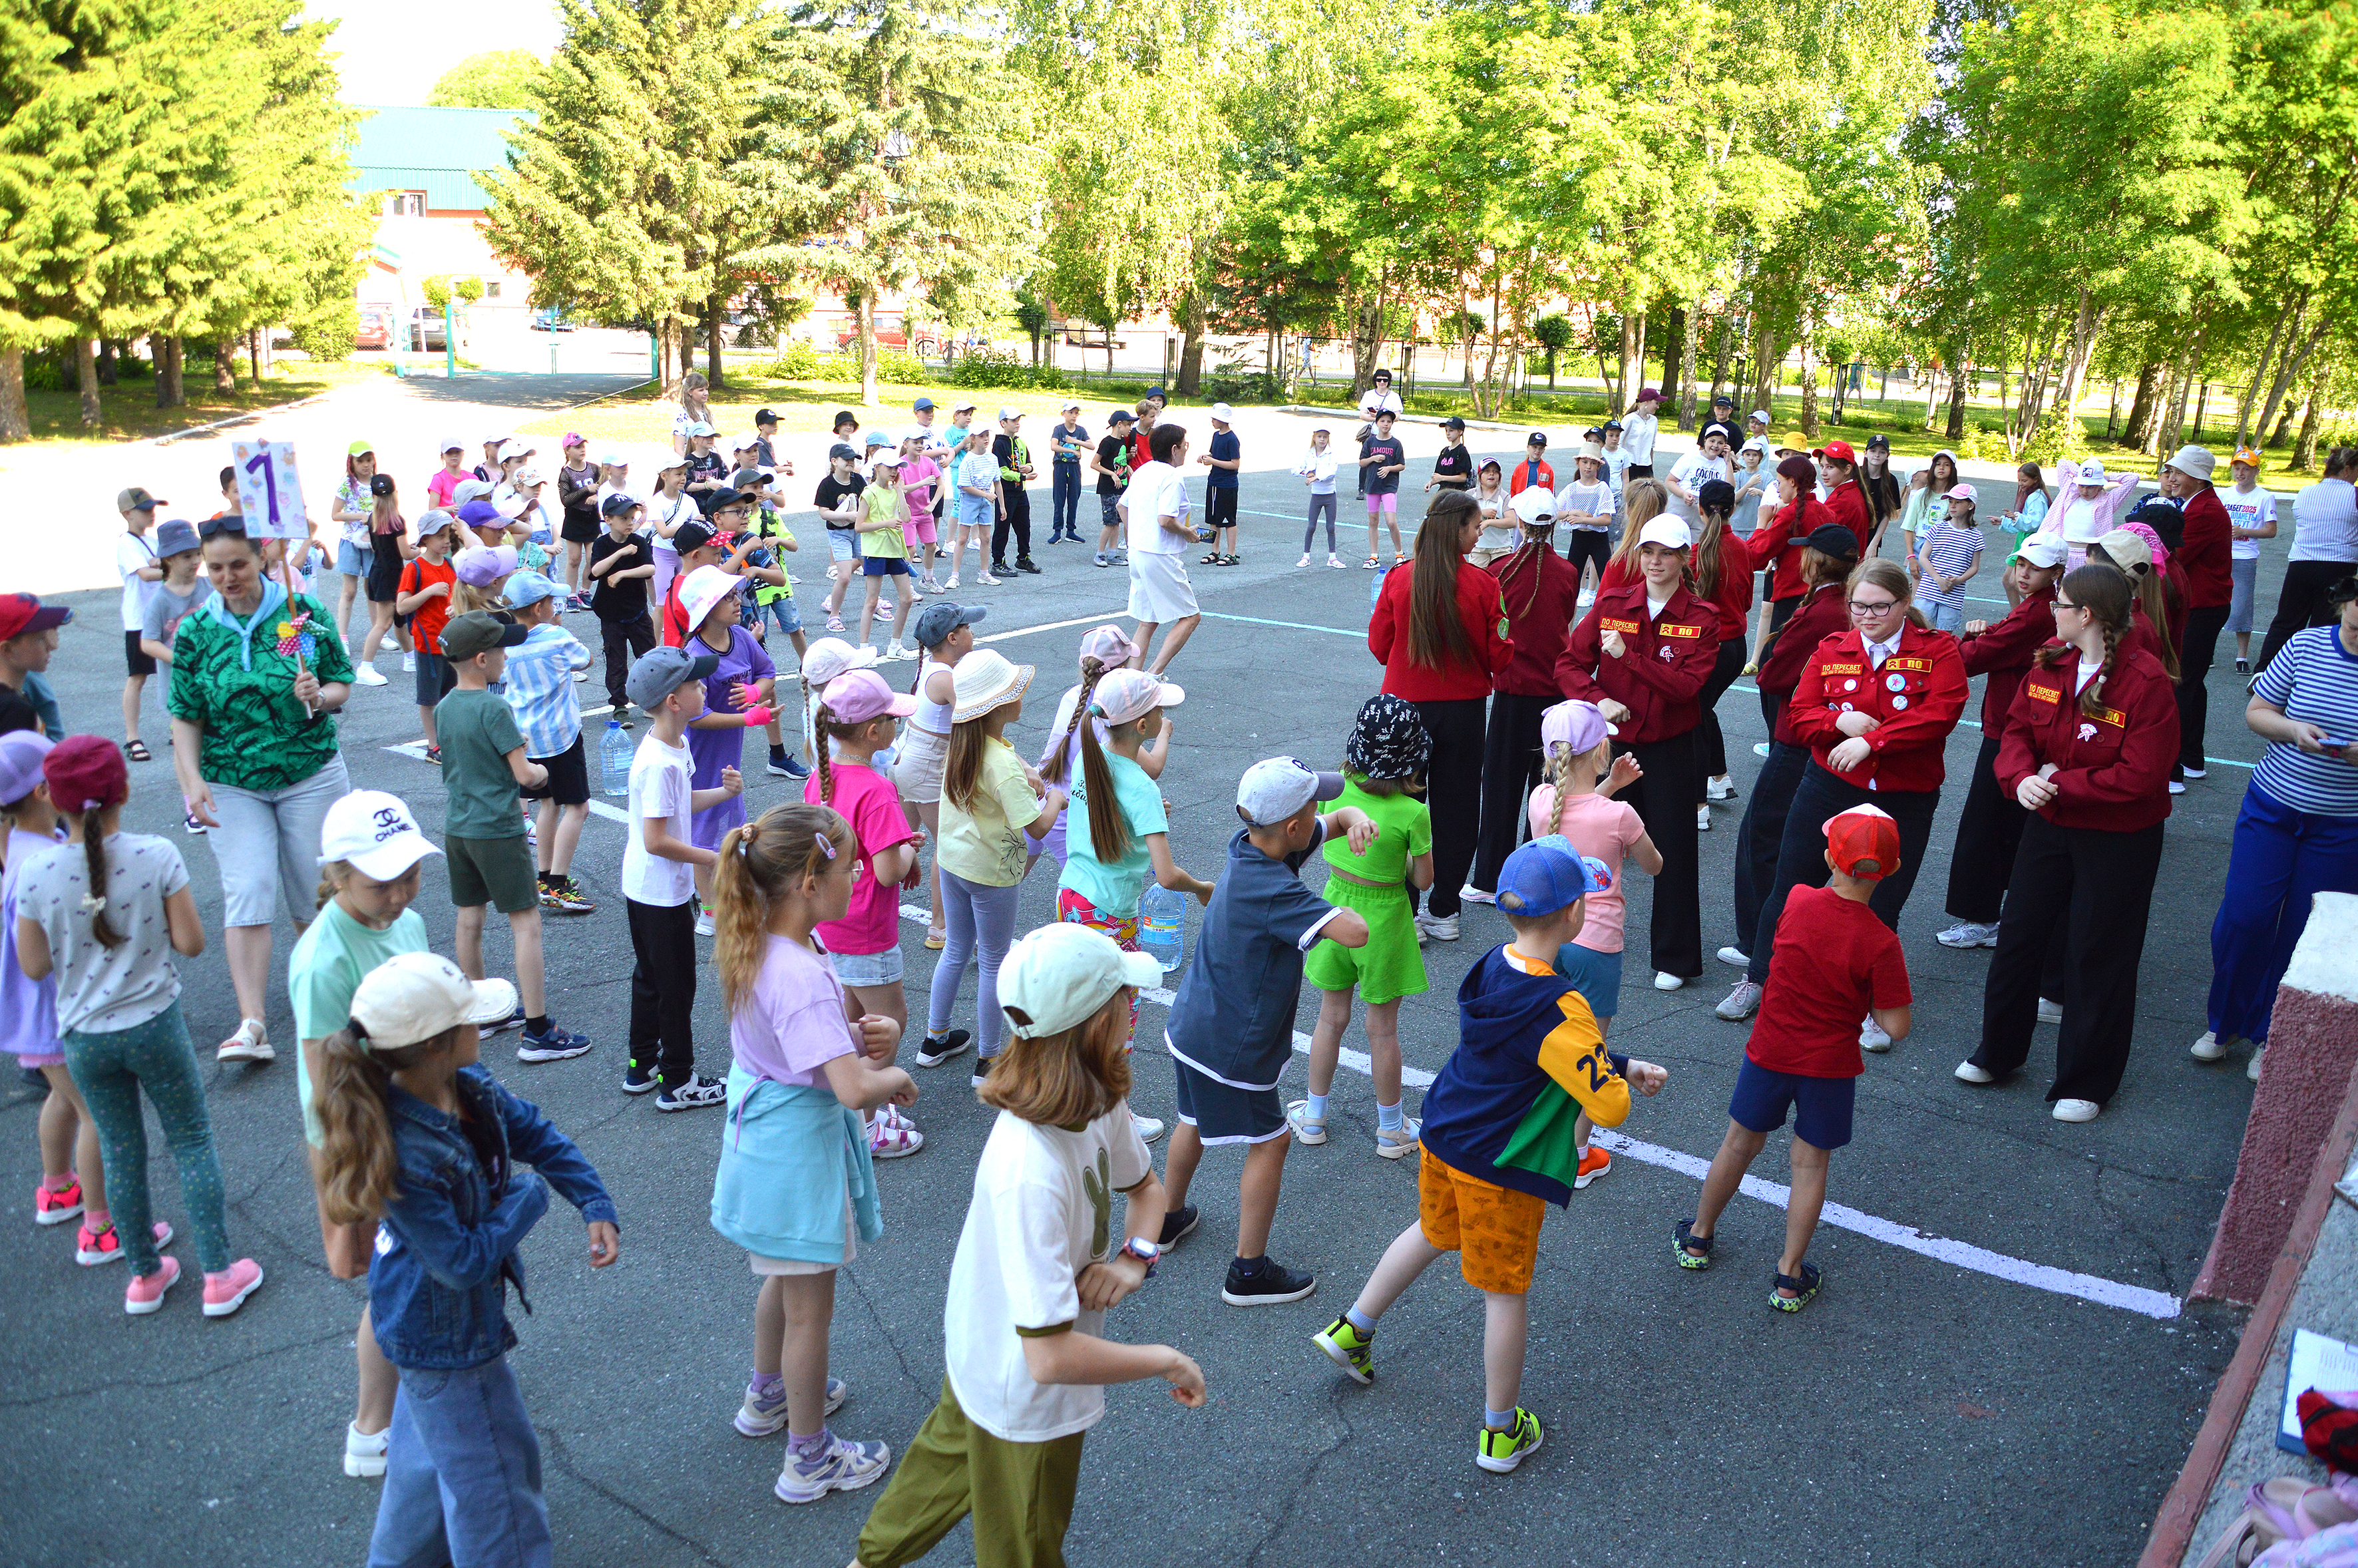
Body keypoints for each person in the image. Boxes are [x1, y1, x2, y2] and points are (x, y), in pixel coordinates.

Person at [845, 924, 1201, 1568]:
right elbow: (1051, 1358)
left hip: (983, 1352)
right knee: (1026, 1548)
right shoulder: (1028, 1169)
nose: (1135, 1010)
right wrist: (1164, 1359)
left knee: (926, 1493)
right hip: (1029, 1391)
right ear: (1097, 1022)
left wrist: (1136, 1256)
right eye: (1128, 998)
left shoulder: (1096, 1098)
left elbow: (1146, 1190)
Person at [1312, 837, 1665, 1469]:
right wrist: (1615, 1080)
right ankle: (1501, 1432)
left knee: (1429, 1230)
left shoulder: (1492, 963)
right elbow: (1607, 1106)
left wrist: (1619, 1062)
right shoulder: (1563, 1004)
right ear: (1573, 914)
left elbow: (1528, 1050)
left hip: (1446, 1131)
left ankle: (1353, 1329)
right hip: (1497, 1164)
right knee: (1505, 1291)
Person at [315, 951, 617, 1568]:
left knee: (425, 1473)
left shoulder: (467, 1088)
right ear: (434, 1046)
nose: (482, 1030)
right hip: (444, 1338)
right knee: (498, 1490)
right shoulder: (405, 1152)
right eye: (470, 1023)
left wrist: (593, 1200)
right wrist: (530, 1197)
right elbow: (460, 1260)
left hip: (423, 1331)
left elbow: (536, 1133)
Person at [14, 734, 264, 1317]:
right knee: (191, 1141)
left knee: (123, 1151)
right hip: (155, 1023)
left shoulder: (37, 873)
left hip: (84, 1037)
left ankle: (145, 1277)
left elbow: (32, 965)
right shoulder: (156, 855)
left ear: (52, 798)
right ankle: (221, 1275)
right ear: (123, 790)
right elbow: (192, 943)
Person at [709, 801, 917, 1500]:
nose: (859, 878)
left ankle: (767, 1395)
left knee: (781, 1279)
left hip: (763, 1146)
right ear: (807, 882)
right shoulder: (799, 973)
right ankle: (810, 1458)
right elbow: (854, 1090)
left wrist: (856, 1035)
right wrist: (894, 1075)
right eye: (850, 868)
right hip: (793, 1159)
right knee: (810, 1312)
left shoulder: (763, 942)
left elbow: (802, 1049)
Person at [1957, 564, 2178, 1121]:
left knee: (2097, 952)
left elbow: (2140, 775)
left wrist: (2055, 781)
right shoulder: (2051, 663)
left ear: (2086, 615)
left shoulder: (2144, 679)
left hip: (2116, 838)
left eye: (2059, 602)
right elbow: (2016, 732)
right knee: (2019, 939)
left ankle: (2086, 1080)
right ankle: (1999, 1053)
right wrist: (2020, 776)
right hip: (2050, 825)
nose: (2048, 607)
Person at [1675, 805, 1911, 1309]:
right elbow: (1895, 1025)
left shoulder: (1799, 901)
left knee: (1738, 1144)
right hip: (1828, 1067)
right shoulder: (1880, 942)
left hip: (1770, 1051)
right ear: (1892, 871)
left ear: (1829, 857)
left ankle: (1698, 1236)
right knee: (1809, 1166)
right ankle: (1789, 1275)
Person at [1158, 759, 1375, 1305]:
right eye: (1314, 805)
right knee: (1272, 1141)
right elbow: (1354, 931)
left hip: (1193, 1026)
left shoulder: (1247, 844)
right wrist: (1355, 887)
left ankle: (1167, 1218)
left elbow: (1328, 823)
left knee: (1191, 1117)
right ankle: (1247, 1274)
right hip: (1233, 1045)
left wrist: (1350, 816)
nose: (1322, 809)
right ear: (1293, 829)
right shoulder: (1277, 892)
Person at [1719, 558, 1964, 1036]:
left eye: (1879, 607)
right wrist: (1840, 723)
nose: (1867, 617)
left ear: (1904, 603)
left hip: (1903, 794)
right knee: (1791, 884)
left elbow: (1941, 713)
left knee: (1883, 899)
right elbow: (1800, 713)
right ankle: (1758, 977)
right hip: (1830, 785)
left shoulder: (1938, 651)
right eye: (1858, 606)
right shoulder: (1831, 649)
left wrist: (1873, 740)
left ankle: (1871, 1001)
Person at [286, 787, 441, 1477]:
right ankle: (373, 1425)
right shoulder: (323, 958)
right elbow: (327, 1083)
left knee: (414, 1273)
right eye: (385, 882)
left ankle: (404, 1413)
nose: (402, 893)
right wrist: (346, 1180)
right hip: (365, 1135)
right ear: (337, 875)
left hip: (416, 1117)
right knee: (392, 1281)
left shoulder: (403, 923)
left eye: (411, 874)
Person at [168, 515, 355, 1062]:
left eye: (239, 565)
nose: (227, 577)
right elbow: (184, 714)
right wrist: (192, 778)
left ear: (263, 556)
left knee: (314, 891)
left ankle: (330, 1003)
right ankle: (252, 1022)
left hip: (309, 774)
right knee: (247, 889)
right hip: (232, 781)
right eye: (216, 567)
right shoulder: (197, 630)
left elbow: (342, 680)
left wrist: (319, 694)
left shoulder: (303, 612)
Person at [2194, 573, 2358, 1081]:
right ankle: (2225, 1022)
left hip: (2343, 826)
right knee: (2243, 919)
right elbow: (2257, 712)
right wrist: (2292, 730)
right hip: (2272, 807)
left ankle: (2273, 1033)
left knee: (2303, 933)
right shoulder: (2306, 645)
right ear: (2344, 603)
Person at [1554, 516, 1720, 989]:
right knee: (1584, 840)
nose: (1655, 562)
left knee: (1673, 851)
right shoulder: (1612, 604)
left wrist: (1628, 658)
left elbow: (1686, 688)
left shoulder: (1702, 618)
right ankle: (1567, 936)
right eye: (1648, 552)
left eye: (1666, 553)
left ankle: (1675, 956)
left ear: (1684, 558)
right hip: (1609, 746)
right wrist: (1595, 699)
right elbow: (1568, 663)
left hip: (1668, 750)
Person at [433, 611, 592, 1063]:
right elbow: (526, 775)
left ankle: (480, 1012)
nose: (507, 656)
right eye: (502, 650)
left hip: (458, 824)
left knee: (470, 919)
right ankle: (539, 1031)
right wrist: (540, 771)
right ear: (483, 660)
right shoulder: (494, 707)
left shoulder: (446, 707)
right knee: (526, 924)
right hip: (497, 827)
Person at [1368, 490, 1512, 940]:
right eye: (1474, 526)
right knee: (1457, 810)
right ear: (1457, 529)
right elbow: (1501, 656)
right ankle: (1444, 909)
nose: (1478, 532)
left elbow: (1378, 645)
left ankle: (1404, 910)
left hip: (1404, 711)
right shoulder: (1485, 585)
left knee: (1400, 808)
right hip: (1463, 712)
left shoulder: (1398, 579)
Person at [1526, 703, 1661, 1180]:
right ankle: (1578, 1154)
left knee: (1547, 1037)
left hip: (1547, 937)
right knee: (1591, 1051)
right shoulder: (1620, 815)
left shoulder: (1541, 799)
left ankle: (1536, 1132)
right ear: (1603, 750)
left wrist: (1606, 788)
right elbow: (1654, 864)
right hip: (1596, 944)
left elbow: (1574, 812)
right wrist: (1615, 797)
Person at [1293, 695, 1433, 1156]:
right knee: (1383, 1030)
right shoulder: (1414, 812)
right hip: (1385, 919)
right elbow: (1423, 879)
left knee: (1329, 1018)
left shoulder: (1334, 794)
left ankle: (1313, 1117)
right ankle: (1390, 1128)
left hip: (1334, 911)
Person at [3, 730, 122, 1269]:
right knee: (96, 1112)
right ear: (42, 793)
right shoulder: (43, 860)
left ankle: (57, 1190)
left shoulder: (16, 850)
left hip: (29, 1015)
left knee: (62, 1098)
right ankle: (99, 1228)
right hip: (56, 1009)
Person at [916, 650, 1064, 1079]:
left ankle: (935, 1037)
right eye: (1016, 691)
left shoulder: (965, 744)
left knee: (957, 949)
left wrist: (1025, 774)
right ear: (999, 705)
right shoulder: (1002, 765)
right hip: (992, 874)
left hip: (953, 862)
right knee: (995, 961)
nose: (1023, 696)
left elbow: (1001, 766)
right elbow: (1036, 828)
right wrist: (1053, 795)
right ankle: (989, 1058)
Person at [803, 670, 926, 1160]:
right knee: (887, 1021)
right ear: (874, 733)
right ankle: (869, 1119)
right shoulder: (877, 788)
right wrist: (910, 853)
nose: (898, 725)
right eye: (892, 720)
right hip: (868, 927)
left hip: (831, 921)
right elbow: (888, 871)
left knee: (851, 1018)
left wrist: (898, 849)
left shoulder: (821, 778)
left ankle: (841, 1105)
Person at [1726, 525, 1861, 969]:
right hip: (1820, 737)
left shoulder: (1821, 612)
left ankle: (1756, 940)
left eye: (1806, 554)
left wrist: (1771, 657)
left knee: (1762, 837)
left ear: (1817, 561)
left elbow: (1772, 674)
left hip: (1795, 736)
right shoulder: (1840, 604)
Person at [620, 644, 740, 1110]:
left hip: (648, 885)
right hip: (657, 891)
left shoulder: (674, 743)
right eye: (694, 683)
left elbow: (678, 807)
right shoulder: (659, 762)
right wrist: (712, 859)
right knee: (675, 986)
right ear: (674, 700)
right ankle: (678, 1081)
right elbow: (656, 839)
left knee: (650, 976)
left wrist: (720, 793)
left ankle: (641, 1064)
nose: (703, 687)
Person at [1937, 534, 2070, 949]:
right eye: (2021, 563)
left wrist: (1927, 649)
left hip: (2010, 726)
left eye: (2037, 567)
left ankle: (1981, 918)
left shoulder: (2037, 614)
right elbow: (1997, 636)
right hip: (2026, 724)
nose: (2024, 573)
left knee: (1986, 824)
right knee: (2009, 823)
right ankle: (2007, 912)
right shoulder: (2040, 608)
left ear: (2057, 573)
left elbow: (1979, 655)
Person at [1468, 490, 1581, 899]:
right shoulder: (1568, 572)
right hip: (1552, 692)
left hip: (1512, 690)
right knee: (1546, 787)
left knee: (1500, 783)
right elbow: (1565, 619)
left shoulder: (1500, 569)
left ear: (1519, 523)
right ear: (1552, 525)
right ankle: (1536, 872)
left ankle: (1487, 877)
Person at [498, 574, 598, 914]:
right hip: (561, 735)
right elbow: (585, 659)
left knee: (548, 804)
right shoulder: (557, 636)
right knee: (578, 807)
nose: (556, 608)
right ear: (540, 608)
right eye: (552, 603)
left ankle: (544, 874)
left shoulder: (506, 644)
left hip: (527, 739)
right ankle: (557, 881)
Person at [894, 602, 982, 948]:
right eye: (969, 628)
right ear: (953, 637)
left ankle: (866, 900)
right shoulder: (947, 678)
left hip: (907, 757)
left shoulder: (934, 666)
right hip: (926, 765)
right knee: (946, 845)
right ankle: (940, 926)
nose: (973, 632)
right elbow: (980, 719)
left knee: (899, 837)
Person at [1744, 456, 1846, 728]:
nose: (1776, 489)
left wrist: (1761, 522)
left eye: (1779, 483)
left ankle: (1781, 741)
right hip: (1822, 597)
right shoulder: (1825, 511)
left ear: (1792, 482)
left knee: (1772, 675)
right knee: (1804, 672)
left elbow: (1755, 555)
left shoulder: (1791, 514)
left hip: (1792, 602)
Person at [2162, 445, 2234, 790]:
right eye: (2170, 471)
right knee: (2193, 681)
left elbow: (2175, 555)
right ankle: (2191, 759)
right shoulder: (2196, 505)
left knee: (2181, 682)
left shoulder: (2204, 511)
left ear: (2198, 477)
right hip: (2203, 605)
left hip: (2203, 606)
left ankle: (2172, 768)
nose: (2171, 478)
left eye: (2178, 473)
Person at [2258, 447, 2358, 672]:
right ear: (2348, 469)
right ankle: (2315, 673)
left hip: (2301, 564)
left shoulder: (2305, 492)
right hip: (2338, 566)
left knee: (2286, 621)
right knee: (2326, 625)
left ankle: (2264, 670)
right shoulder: (2354, 495)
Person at [1120, 423, 1204, 676]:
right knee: (1191, 617)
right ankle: (1153, 675)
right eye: (1185, 446)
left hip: (1138, 551)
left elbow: (1122, 508)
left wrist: (1133, 536)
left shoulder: (1143, 470)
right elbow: (1165, 520)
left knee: (1148, 619)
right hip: (1159, 555)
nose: (1187, 451)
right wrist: (1187, 532)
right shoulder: (1172, 477)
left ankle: (1132, 679)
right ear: (1175, 449)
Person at [586, 494, 658, 723]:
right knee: (616, 662)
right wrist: (619, 553)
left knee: (648, 658)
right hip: (611, 615)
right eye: (624, 518)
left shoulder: (638, 541)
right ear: (608, 520)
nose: (630, 522)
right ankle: (619, 705)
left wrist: (623, 573)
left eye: (633, 517)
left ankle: (652, 700)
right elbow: (595, 572)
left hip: (637, 611)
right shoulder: (601, 544)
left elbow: (650, 569)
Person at [395, 511, 460, 756]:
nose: (446, 541)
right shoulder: (415, 568)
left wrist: (458, 608)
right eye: (440, 536)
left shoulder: (449, 564)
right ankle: (433, 745)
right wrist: (429, 591)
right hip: (428, 643)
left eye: (448, 535)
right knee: (429, 699)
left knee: (449, 695)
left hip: (451, 641)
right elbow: (401, 607)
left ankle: (447, 739)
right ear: (425, 539)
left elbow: (458, 596)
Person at [114, 487, 166, 761]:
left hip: (165, 617)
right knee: (138, 677)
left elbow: (165, 563)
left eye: (152, 508)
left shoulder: (155, 542)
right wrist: (167, 568)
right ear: (127, 513)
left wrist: (164, 564)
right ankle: (132, 737)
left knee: (175, 671)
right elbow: (146, 574)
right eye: (145, 509)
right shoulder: (127, 543)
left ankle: (178, 724)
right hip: (140, 622)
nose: (151, 513)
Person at [853, 454, 918, 660]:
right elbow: (859, 526)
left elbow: (906, 517)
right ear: (877, 467)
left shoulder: (894, 490)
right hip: (876, 551)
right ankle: (864, 651)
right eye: (890, 467)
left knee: (907, 598)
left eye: (897, 467)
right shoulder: (869, 493)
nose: (894, 471)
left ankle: (895, 646)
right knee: (872, 601)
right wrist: (886, 523)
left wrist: (899, 491)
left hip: (895, 549)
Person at [2221, 445, 2280, 672]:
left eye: (2247, 469)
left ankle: (2241, 656)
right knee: (2213, 604)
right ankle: (2207, 651)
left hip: (2245, 557)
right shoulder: (2223, 494)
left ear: (2256, 471)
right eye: (2237, 468)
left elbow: (2271, 530)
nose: (2241, 473)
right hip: (2222, 555)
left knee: (2241, 607)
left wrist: (2245, 531)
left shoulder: (2264, 497)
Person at [1914, 483, 1987, 633]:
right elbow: (1923, 557)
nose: (1953, 506)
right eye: (1951, 502)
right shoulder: (1939, 527)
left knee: (1944, 636)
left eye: (1958, 502)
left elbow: (1974, 567)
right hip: (1928, 591)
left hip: (1953, 596)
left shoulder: (1976, 536)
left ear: (1970, 506)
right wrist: (1938, 580)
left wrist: (1958, 580)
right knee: (1919, 630)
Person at [0, 592, 67, 737]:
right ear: (8, 649)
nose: (52, 646)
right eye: (41, 639)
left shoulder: (16, 701)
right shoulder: (13, 711)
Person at [1556, 442, 1618, 596]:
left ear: (1598, 466)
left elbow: (1606, 519)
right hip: (1579, 539)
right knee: (1572, 582)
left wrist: (1583, 520)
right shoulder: (1572, 489)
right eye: (1584, 462)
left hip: (1599, 539)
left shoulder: (1602, 488)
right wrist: (1576, 512)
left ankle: (1603, 612)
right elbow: (1554, 512)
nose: (1588, 467)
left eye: (1592, 463)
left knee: (1606, 579)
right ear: (1578, 464)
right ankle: (1570, 616)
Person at [946, 427, 1000, 590]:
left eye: (987, 436)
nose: (985, 439)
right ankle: (954, 575)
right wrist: (985, 495)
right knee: (962, 538)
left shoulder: (992, 458)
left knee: (986, 538)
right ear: (973, 440)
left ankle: (984, 573)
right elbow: (964, 485)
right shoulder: (968, 460)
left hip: (985, 501)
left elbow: (997, 482)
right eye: (981, 436)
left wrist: (1002, 506)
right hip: (970, 500)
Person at [989, 407, 1040, 576]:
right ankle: (998, 562)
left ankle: (1023, 558)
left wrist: (1029, 468)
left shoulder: (1020, 442)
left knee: (1024, 527)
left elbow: (1029, 463)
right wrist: (1023, 476)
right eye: (1013, 421)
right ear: (1003, 423)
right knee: (1003, 528)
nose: (1017, 423)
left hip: (1021, 493)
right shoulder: (999, 444)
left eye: (1019, 420)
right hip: (1006, 493)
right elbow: (1002, 471)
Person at [1358, 409, 1410, 567]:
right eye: (1383, 421)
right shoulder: (1370, 442)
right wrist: (1373, 458)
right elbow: (1362, 462)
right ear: (1377, 423)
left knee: (1391, 521)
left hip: (1389, 487)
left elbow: (1401, 465)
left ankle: (1399, 552)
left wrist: (1389, 468)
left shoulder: (1395, 444)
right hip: (1373, 486)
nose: (1386, 424)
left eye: (1389, 421)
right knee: (1373, 521)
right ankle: (1374, 556)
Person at [554, 434, 601, 600]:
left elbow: (606, 486)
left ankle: (585, 590)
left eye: (583, 446)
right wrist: (586, 490)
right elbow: (566, 500)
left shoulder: (594, 469)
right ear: (567, 450)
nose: (582, 450)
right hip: (574, 519)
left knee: (592, 557)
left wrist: (598, 495)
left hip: (592, 518)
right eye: (577, 447)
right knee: (574, 559)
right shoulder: (566, 474)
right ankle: (571, 594)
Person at [1899, 449, 1960, 576]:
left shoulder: (1956, 497)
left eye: (1946, 464)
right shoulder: (1921, 494)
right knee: (1918, 593)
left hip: (1945, 548)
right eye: (1938, 464)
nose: (1941, 468)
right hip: (1921, 544)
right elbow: (1908, 528)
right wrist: (1911, 557)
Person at [1196, 402, 1243, 565]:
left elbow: (1234, 464)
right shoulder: (1216, 436)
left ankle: (1232, 554)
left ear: (1223, 420)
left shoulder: (1232, 439)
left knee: (1228, 520)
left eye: (1215, 418)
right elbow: (1214, 455)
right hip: (1214, 482)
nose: (1212, 421)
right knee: (1213, 519)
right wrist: (1205, 457)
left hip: (1227, 484)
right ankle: (1214, 551)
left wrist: (1213, 461)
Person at [1665, 421, 1736, 524]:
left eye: (1720, 443)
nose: (1715, 446)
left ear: (1725, 446)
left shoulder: (1723, 464)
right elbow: (1670, 481)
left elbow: (1730, 488)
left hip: (1705, 510)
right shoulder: (1690, 457)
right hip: (1682, 504)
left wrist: (1728, 461)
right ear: (1705, 441)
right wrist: (1683, 494)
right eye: (1712, 441)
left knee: (1699, 539)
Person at [1091, 409, 1135, 569]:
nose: (1131, 428)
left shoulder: (1122, 442)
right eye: (1128, 424)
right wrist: (1112, 475)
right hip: (1108, 488)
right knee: (1110, 522)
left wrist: (1127, 468)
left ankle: (1112, 553)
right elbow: (1094, 464)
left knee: (1117, 521)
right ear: (1119, 424)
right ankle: (1100, 553)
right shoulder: (1107, 442)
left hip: (1120, 487)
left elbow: (1120, 461)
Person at [1296, 425, 1345, 568]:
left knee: (1330, 527)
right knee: (1311, 526)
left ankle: (1332, 557)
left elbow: (1332, 472)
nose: (1322, 439)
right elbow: (1295, 468)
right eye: (1319, 436)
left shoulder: (1331, 454)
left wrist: (1316, 477)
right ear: (1314, 438)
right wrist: (1306, 473)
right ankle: (1306, 556)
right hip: (1316, 496)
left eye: (1325, 437)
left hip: (1330, 495)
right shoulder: (1309, 454)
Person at [1045, 401, 1089, 546]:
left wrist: (1076, 442)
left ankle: (1071, 530)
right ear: (1063, 414)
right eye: (1071, 413)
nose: (1074, 416)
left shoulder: (1080, 431)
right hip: (1061, 466)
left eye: (1076, 413)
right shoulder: (1059, 429)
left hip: (1074, 467)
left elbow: (1092, 445)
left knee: (1074, 498)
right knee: (1059, 498)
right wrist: (1072, 450)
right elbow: (1054, 446)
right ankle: (1057, 530)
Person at [1858, 433, 1903, 555]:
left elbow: (1887, 515)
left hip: (1872, 536)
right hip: (1852, 534)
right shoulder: (1855, 475)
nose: (1877, 455)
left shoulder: (1890, 481)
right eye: (1873, 451)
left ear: (1888, 456)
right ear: (1866, 453)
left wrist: (1874, 544)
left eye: (1882, 452)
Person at [1428, 415, 1474, 496]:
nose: (1448, 433)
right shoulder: (1445, 451)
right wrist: (1431, 483)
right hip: (1443, 491)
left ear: (1460, 432)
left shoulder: (1462, 451)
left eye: (1451, 430)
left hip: (1457, 493)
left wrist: (1442, 478)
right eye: (1446, 431)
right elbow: (1438, 475)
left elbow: (1463, 478)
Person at [1622, 389, 1661, 478]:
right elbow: (1619, 443)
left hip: (1646, 466)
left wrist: (1651, 469)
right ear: (1647, 402)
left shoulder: (1654, 421)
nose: (1658, 407)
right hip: (1630, 464)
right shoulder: (1630, 419)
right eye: (1656, 403)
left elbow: (1651, 446)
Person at [1509, 431, 1555, 502]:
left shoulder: (1548, 470)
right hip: (1521, 505)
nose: (1537, 450)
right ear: (1528, 448)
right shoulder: (1519, 469)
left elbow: (1551, 493)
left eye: (1541, 448)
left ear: (1544, 450)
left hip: (1540, 507)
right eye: (1535, 447)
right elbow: (1513, 491)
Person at [425, 437, 467, 512]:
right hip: (447, 522)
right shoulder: (439, 479)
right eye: (449, 453)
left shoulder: (472, 478)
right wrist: (451, 509)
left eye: (457, 452)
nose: (454, 455)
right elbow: (432, 509)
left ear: (463, 454)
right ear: (442, 456)